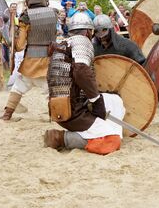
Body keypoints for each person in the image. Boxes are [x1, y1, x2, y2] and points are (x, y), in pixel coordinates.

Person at [44, 13, 126, 155]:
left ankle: (99, 128)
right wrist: (96, 101)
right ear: (88, 31)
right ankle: (61, 139)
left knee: (115, 100)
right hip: (75, 112)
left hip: (60, 107)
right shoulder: (82, 42)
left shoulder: (63, 44)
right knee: (112, 140)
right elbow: (81, 71)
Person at [0, 0, 57, 120]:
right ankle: (54, 116)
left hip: (31, 62)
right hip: (49, 62)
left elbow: (19, 46)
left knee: (18, 86)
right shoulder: (54, 13)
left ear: (27, 0)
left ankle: (7, 115)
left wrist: (11, 41)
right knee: (52, 92)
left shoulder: (25, 17)